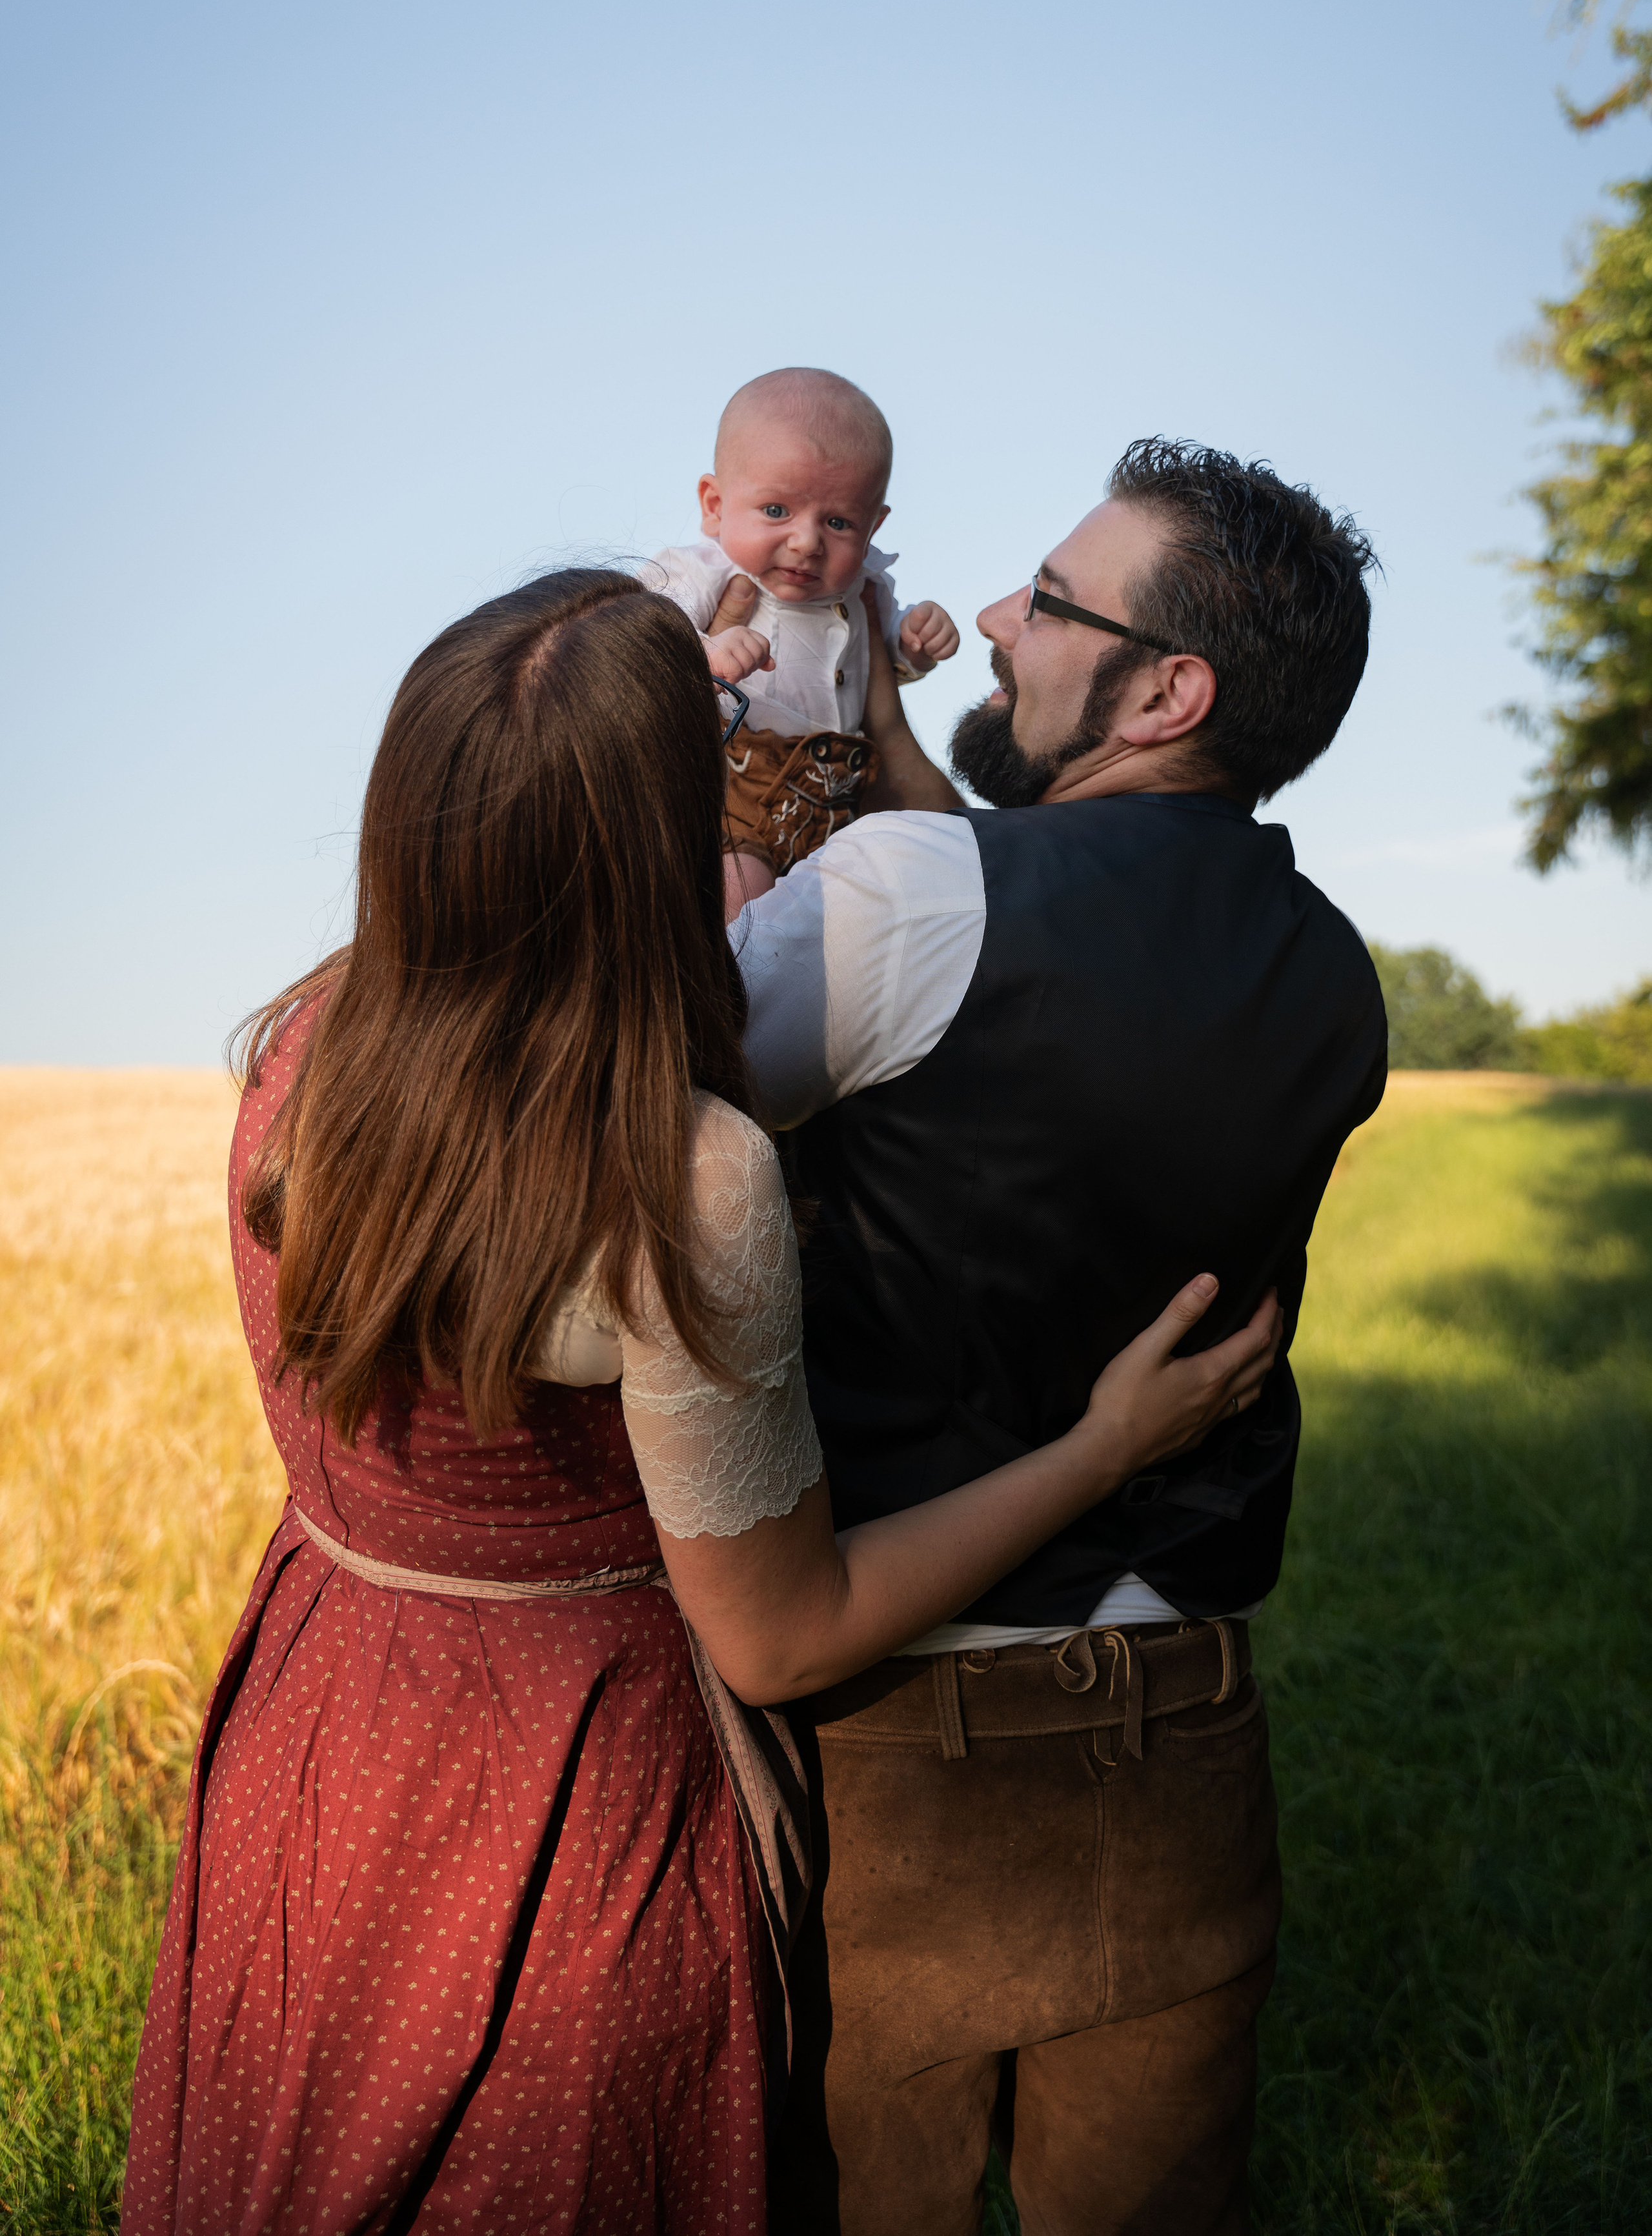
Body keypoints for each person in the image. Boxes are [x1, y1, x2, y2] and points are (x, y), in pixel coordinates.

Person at [121, 565, 1280, 2235]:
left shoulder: (306, 1039)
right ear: (663, 828)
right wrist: (1105, 1440)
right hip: (566, 1792)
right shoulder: (683, 1172)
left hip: (323, 1718)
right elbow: (785, 1633)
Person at [736, 439, 1391, 2235]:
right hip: (1194, 1739)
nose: (1003, 621)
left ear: (1166, 689)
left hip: (900, 1751)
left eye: (1052, 598)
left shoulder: (907, 896)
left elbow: (660, 1095)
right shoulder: (1338, 974)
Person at [647, 366, 960, 914]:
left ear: (874, 527)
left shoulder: (866, 591)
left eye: (839, 522)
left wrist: (912, 644)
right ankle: (728, 985)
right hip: (736, 781)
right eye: (776, 511)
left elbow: (883, 664)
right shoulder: (707, 569)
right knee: (742, 897)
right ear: (715, 505)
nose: (807, 541)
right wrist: (707, 652)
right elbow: (642, 627)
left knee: (855, 909)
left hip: (837, 794)